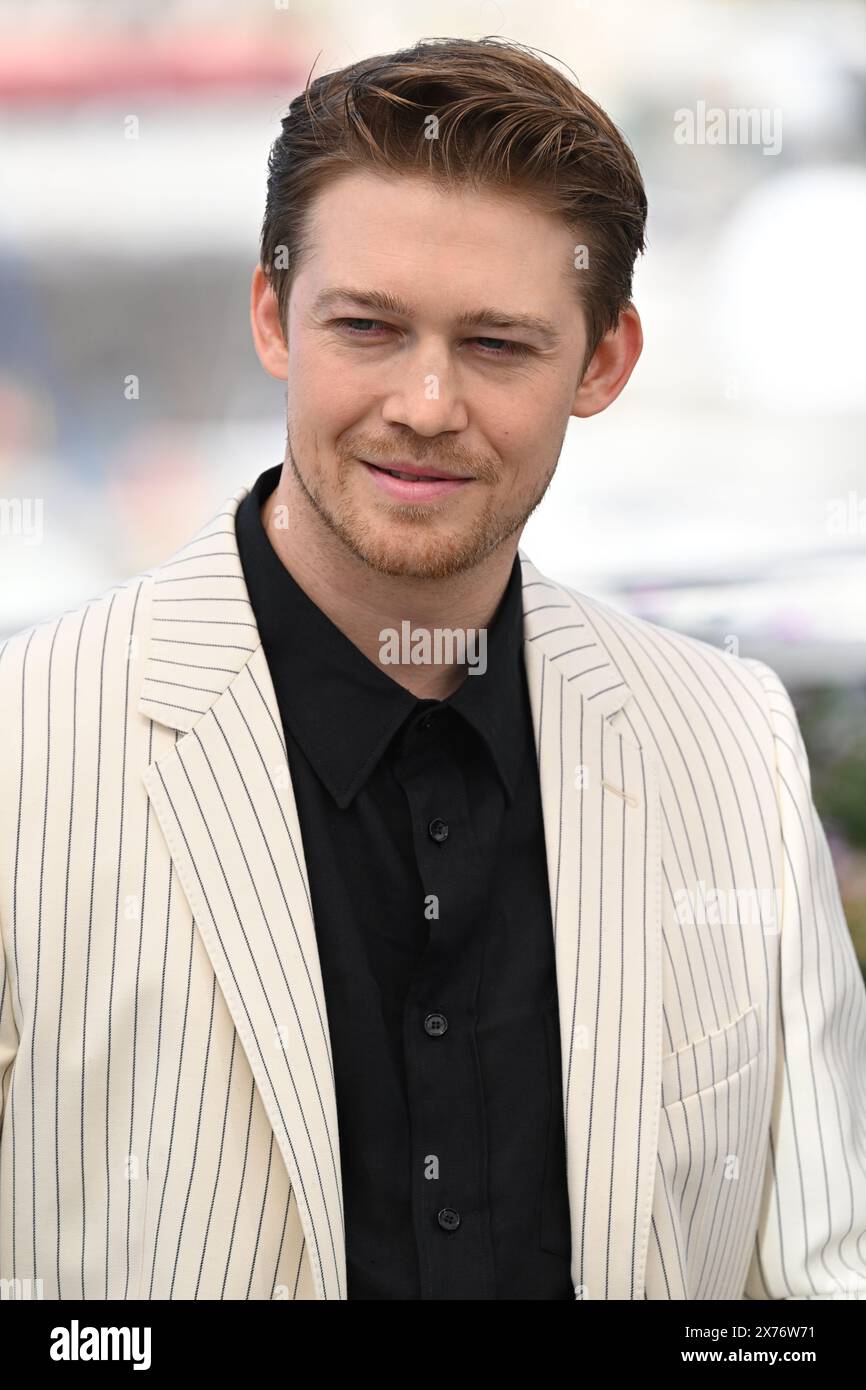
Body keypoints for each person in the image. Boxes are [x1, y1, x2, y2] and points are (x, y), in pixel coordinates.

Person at [1, 36, 864, 1302]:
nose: (422, 401)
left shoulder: (728, 741)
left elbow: (814, 1278)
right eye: (367, 325)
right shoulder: (24, 747)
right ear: (269, 315)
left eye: (497, 344)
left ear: (604, 363)